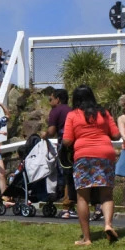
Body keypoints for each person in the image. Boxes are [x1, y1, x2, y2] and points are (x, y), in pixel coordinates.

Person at [62, 85, 122, 246]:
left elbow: (67, 140)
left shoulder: (73, 115)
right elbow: (116, 135)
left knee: (83, 196)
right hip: (105, 154)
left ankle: (87, 238)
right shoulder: (103, 112)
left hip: (83, 155)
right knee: (106, 194)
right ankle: (108, 225)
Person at [47, 88, 76, 218]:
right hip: (77, 145)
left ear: (57, 99)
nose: (49, 102)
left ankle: (66, 207)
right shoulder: (72, 110)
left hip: (64, 146)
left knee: (66, 175)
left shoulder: (55, 111)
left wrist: (44, 134)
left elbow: (52, 131)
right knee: (76, 175)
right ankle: (75, 204)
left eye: (51, 99)